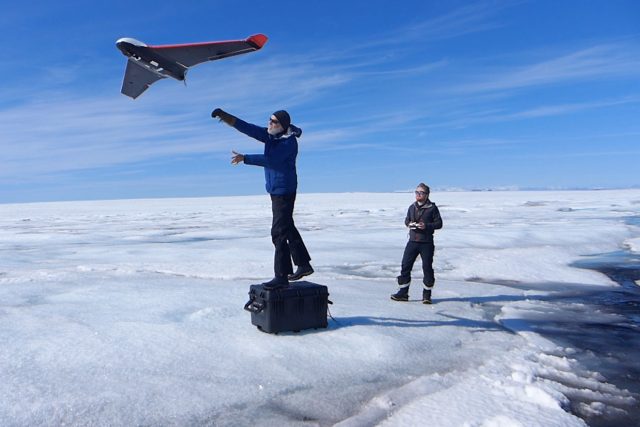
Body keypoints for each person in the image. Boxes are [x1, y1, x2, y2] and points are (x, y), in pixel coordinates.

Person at [211, 108, 313, 289]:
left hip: (284, 191)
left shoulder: (288, 143)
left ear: (282, 126)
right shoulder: (272, 136)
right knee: (287, 226)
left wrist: (245, 158)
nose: (270, 123)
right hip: (276, 190)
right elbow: (248, 128)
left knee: (278, 232)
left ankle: (281, 276)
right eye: (269, 120)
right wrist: (225, 116)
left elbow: (271, 160)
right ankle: (303, 264)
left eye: (274, 122)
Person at [391, 183, 443, 304]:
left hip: (426, 242)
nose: (418, 195)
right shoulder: (412, 207)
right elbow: (407, 220)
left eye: (421, 193)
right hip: (412, 241)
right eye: (417, 192)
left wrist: (426, 226)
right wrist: (409, 224)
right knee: (405, 266)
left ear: (427, 195)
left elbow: (439, 224)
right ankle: (403, 292)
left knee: (427, 268)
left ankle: (427, 295)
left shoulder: (432, 208)